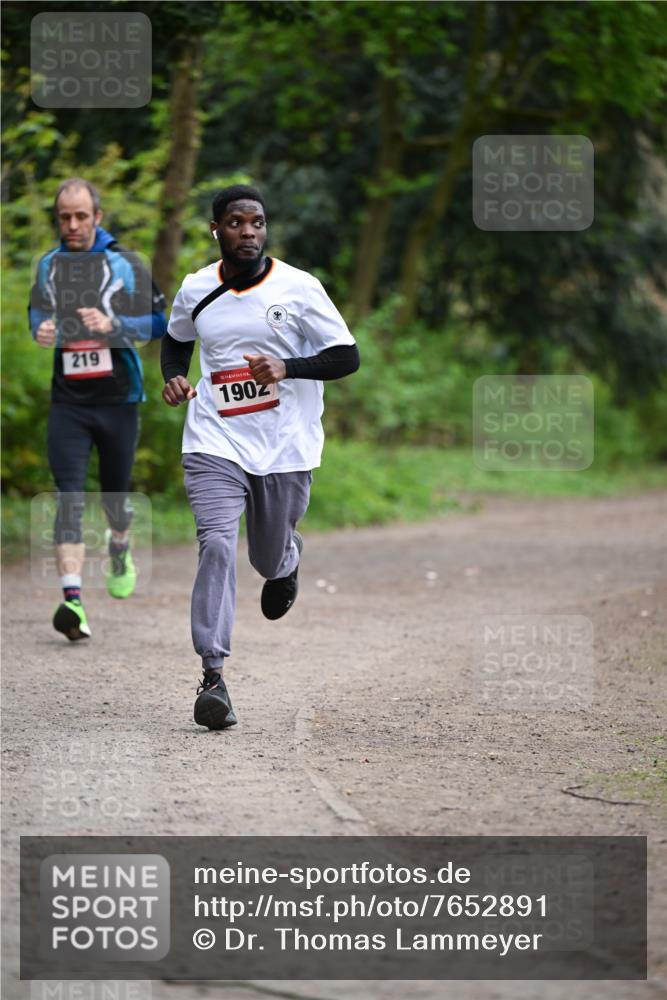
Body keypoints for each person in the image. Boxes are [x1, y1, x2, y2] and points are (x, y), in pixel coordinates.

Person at [162, 184, 360, 730]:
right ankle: (214, 675)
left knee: (265, 558)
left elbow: (347, 357)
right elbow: (176, 340)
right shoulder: (197, 287)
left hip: (285, 445)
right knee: (217, 544)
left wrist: (287, 368)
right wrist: (174, 378)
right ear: (216, 230)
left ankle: (286, 561)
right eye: (235, 222)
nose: (247, 231)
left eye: (257, 222)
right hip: (213, 441)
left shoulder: (299, 288)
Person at [29, 177, 167, 641]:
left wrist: (115, 323)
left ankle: (119, 544)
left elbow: (162, 323)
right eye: (64, 217)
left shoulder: (126, 265)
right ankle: (72, 602)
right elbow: (36, 312)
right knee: (68, 495)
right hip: (68, 401)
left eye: (81, 216)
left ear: (98, 217)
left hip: (118, 400)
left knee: (114, 499)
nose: (72, 224)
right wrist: (41, 329)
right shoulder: (49, 265)